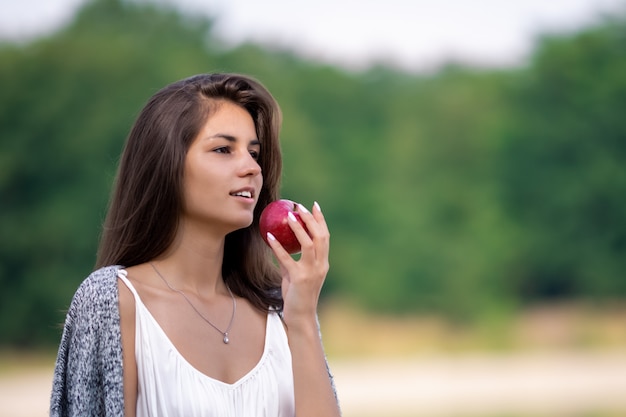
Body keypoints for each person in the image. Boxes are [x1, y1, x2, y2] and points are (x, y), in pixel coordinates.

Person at [49, 73, 341, 417]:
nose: (251, 167)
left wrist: (303, 318)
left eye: (254, 153)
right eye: (223, 149)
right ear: (166, 164)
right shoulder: (111, 301)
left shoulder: (281, 307)